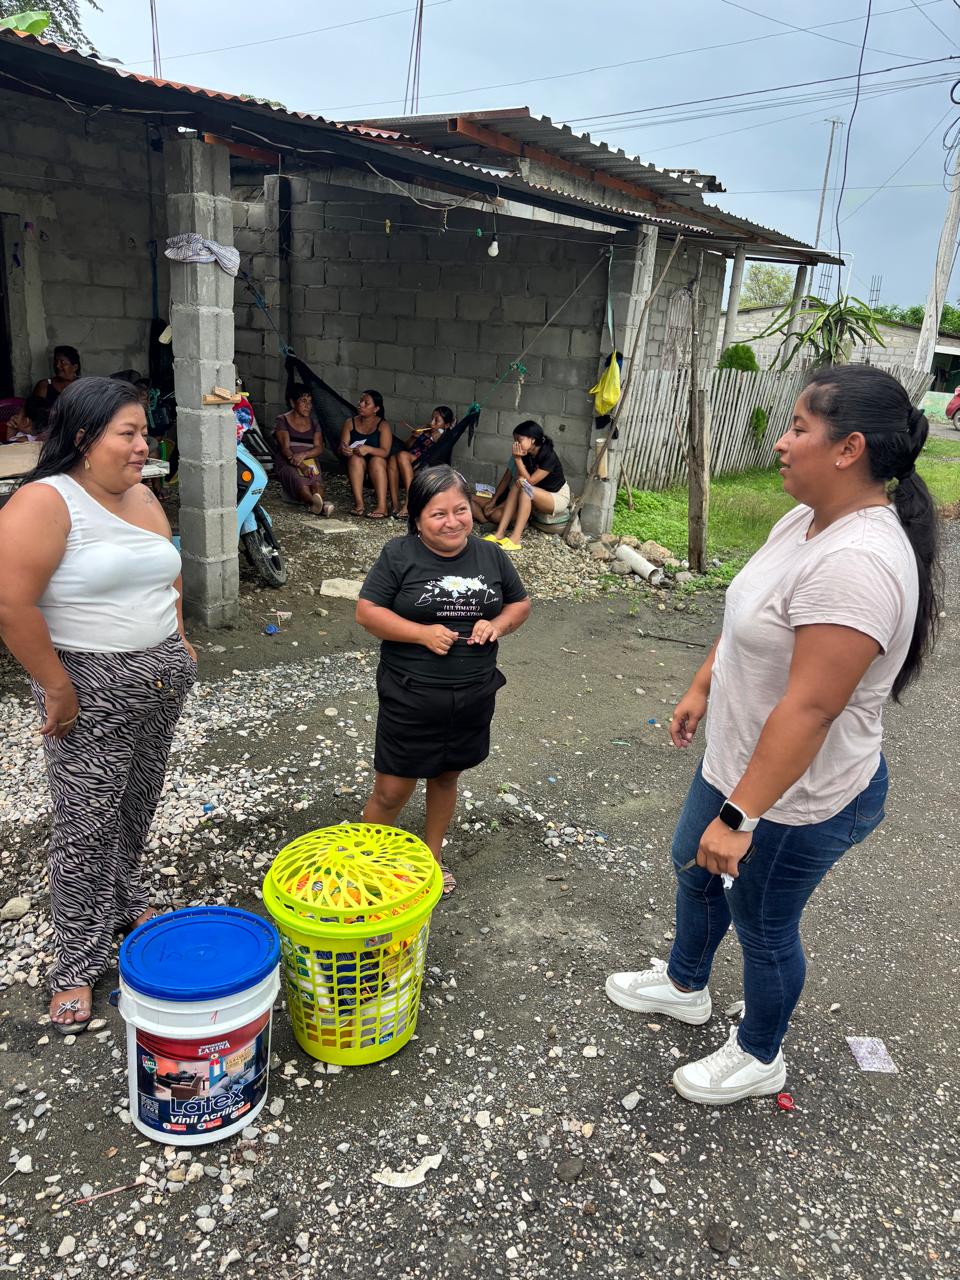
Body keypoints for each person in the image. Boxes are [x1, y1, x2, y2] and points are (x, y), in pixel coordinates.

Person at [606, 364, 940, 1105]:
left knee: (761, 923)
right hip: (740, 764)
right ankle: (686, 985)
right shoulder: (805, 519)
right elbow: (748, 617)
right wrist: (703, 684)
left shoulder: (858, 563)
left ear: (849, 448)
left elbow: (812, 710)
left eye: (798, 428)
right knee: (694, 870)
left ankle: (760, 1055)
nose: (782, 443)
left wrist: (739, 817)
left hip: (797, 796)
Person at [0, 377, 197, 1034]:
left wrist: (179, 638)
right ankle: (76, 963)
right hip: (91, 686)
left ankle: (122, 896)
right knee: (85, 827)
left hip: (160, 680)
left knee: (136, 802)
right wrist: (56, 686)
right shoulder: (45, 501)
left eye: (145, 432)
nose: (144, 445)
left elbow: (167, 570)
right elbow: (10, 602)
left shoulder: (141, 495)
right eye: (129, 433)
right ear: (84, 437)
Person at [356, 465, 530, 894]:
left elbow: (519, 604)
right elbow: (367, 613)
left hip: (472, 694)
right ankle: (366, 867)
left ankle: (431, 859)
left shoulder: (491, 555)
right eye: (438, 514)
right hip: (411, 694)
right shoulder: (399, 555)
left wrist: (497, 624)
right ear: (417, 518)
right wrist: (421, 633)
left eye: (461, 510)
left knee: (447, 777)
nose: (453, 522)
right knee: (392, 790)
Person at [481, 421, 570, 551]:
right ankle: (499, 533)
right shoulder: (526, 454)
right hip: (538, 492)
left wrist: (517, 459)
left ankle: (515, 539)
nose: (516, 444)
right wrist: (520, 464)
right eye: (515, 440)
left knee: (526, 490)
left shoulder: (548, 455)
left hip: (556, 496)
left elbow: (530, 481)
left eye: (520, 440)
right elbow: (523, 479)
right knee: (518, 485)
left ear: (532, 439)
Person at [273, 384, 333, 516]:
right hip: (287, 461)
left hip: (309, 459)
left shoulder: (314, 423)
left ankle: (317, 505)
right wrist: (301, 465)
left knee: (316, 483)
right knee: (302, 484)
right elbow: (285, 449)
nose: (308, 406)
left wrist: (304, 454)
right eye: (303, 401)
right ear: (292, 402)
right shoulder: (282, 420)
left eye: (310, 402)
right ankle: (320, 505)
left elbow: (319, 447)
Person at [388, 405, 455, 519]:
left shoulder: (445, 437)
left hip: (426, 466)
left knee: (402, 455)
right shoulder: (426, 429)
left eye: (436, 420)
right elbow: (407, 446)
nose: (432, 423)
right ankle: (395, 504)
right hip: (413, 461)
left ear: (446, 425)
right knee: (393, 459)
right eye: (432, 419)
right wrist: (414, 437)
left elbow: (438, 453)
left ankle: (409, 503)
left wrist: (433, 435)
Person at [340, 389, 392, 518]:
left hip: (378, 465)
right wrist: (344, 450)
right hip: (357, 464)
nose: (360, 405)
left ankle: (382, 507)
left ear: (376, 409)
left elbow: (385, 452)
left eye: (366, 403)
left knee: (377, 460)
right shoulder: (350, 423)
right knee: (355, 459)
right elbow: (342, 446)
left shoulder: (383, 425)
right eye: (360, 401)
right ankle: (359, 504)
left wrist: (368, 449)